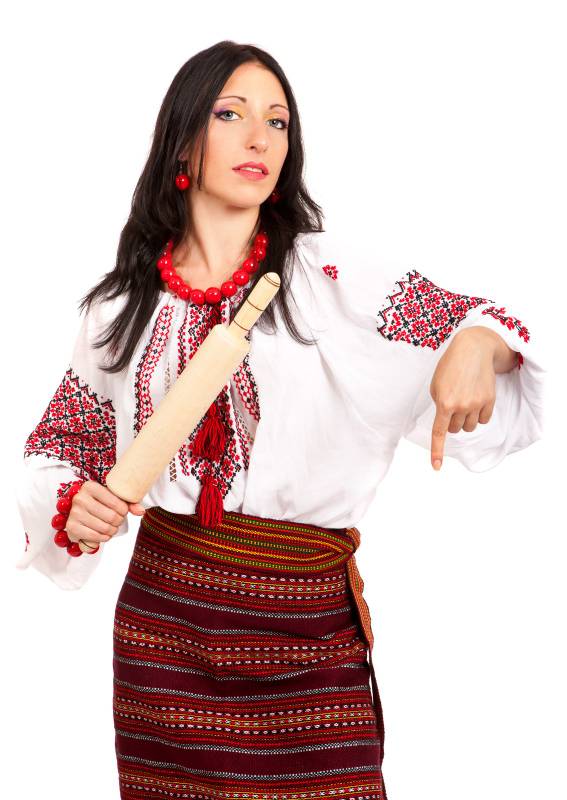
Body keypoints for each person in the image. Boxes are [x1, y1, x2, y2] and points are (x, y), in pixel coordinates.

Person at [14, 40, 545, 800]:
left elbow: (484, 324)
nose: (259, 138)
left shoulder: (331, 277)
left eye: (278, 122)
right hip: (165, 631)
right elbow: (62, 445)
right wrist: (75, 502)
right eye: (231, 114)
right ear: (182, 140)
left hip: (305, 628)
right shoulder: (120, 307)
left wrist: (478, 342)